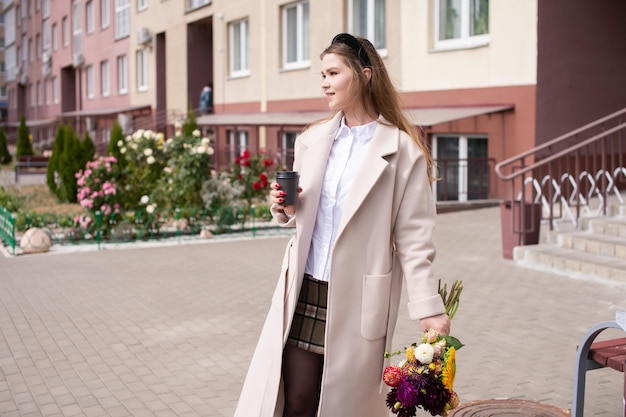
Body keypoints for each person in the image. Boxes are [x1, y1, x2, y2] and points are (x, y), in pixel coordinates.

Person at [233, 33, 450, 417]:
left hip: (358, 297)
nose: (324, 82)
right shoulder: (312, 140)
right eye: (322, 74)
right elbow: (300, 213)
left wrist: (428, 308)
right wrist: (283, 208)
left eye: (333, 73)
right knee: (296, 399)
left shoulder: (402, 152)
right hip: (305, 289)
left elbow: (414, 241)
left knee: (339, 406)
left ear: (364, 75)